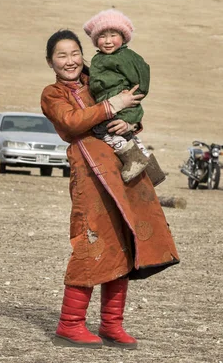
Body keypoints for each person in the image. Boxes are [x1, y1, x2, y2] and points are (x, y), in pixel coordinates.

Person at [41, 29, 180, 350]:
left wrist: (130, 122)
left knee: (126, 238)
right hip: (90, 170)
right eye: (61, 56)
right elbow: (72, 122)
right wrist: (112, 106)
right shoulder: (52, 94)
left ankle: (111, 324)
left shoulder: (101, 77)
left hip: (124, 168)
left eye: (74, 53)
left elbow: (130, 101)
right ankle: (70, 323)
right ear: (50, 62)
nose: (70, 61)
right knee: (91, 239)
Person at [82, 9, 165, 185]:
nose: (108, 41)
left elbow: (141, 80)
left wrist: (132, 99)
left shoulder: (126, 57)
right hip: (113, 103)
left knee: (104, 131)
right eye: (102, 36)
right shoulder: (101, 58)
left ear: (123, 37)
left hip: (123, 104)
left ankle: (133, 160)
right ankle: (150, 166)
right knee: (129, 136)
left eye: (113, 35)